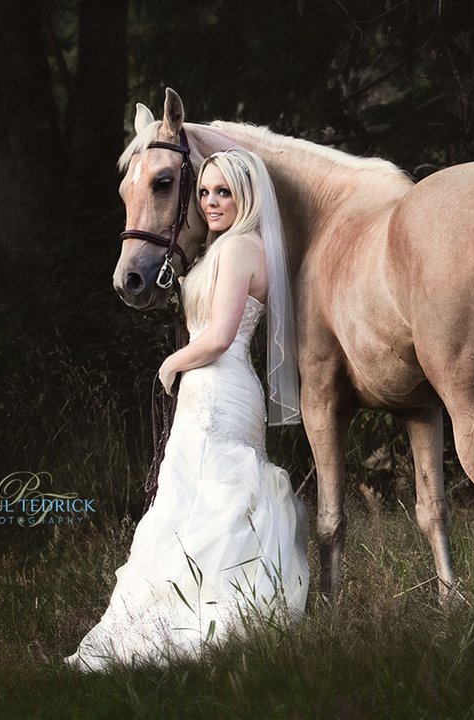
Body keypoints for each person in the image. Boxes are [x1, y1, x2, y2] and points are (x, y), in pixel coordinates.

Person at [65, 149, 309, 671]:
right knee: (197, 496)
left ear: (246, 194)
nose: (212, 201)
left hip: (219, 385)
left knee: (209, 495)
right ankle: (207, 607)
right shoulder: (226, 248)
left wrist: (171, 364)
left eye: (224, 192)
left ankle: (204, 620)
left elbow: (220, 337)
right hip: (215, 388)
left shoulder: (241, 248)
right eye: (204, 192)